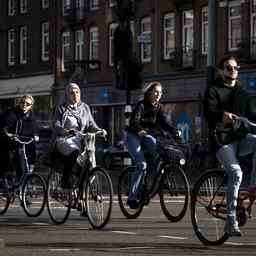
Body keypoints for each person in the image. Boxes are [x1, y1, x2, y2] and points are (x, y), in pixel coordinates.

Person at [204, 55, 256, 237]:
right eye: (228, 67)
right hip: (221, 140)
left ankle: (253, 186)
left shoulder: (242, 92)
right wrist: (221, 115)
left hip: (239, 138)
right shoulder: (213, 90)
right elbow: (208, 112)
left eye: (235, 67)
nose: (233, 70)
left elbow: (252, 111)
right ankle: (230, 221)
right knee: (236, 173)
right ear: (221, 71)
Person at [126, 81, 180, 209]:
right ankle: (132, 197)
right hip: (134, 136)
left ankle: (152, 181)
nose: (158, 94)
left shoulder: (159, 107)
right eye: (155, 91)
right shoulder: (141, 105)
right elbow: (134, 121)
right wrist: (139, 129)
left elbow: (164, 122)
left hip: (147, 136)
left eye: (160, 92)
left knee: (160, 148)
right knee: (141, 164)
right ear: (149, 92)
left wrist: (175, 131)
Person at [52, 82, 106, 189]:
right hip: (65, 139)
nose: (75, 94)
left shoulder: (85, 107)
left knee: (85, 166)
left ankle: (80, 197)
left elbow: (91, 124)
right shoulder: (61, 108)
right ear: (67, 94)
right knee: (74, 150)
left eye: (77, 92)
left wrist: (100, 130)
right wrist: (66, 131)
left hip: (81, 139)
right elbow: (56, 124)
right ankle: (65, 180)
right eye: (72, 93)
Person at [1, 94, 36, 181]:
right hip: (7, 139)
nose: (24, 105)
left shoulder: (31, 117)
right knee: (8, 156)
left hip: (20, 142)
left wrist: (36, 136)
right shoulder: (12, 113)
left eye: (27, 104)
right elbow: (5, 126)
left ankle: (23, 180)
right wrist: (8, 134)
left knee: (28, 153)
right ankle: (6, 177)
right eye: (22, 102)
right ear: (19, 103)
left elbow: (33, 130)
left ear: (31, 106)